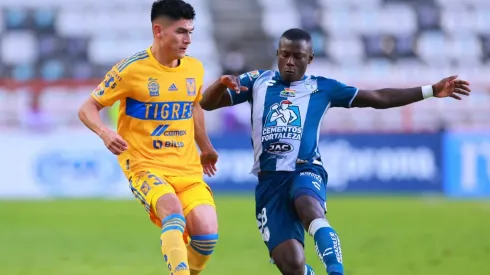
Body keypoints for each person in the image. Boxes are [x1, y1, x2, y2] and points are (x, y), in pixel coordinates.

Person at [200, 28, 471, 275]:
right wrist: (221, 83)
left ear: (310, 59)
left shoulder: (323, 88)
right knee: (291, 265)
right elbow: (208, 103)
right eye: (285, 55)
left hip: (305, 168)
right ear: (277, 54)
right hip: (269, 182)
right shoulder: (258, 81)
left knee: (309, 207)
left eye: (298, 57)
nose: (290, 62)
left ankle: (336, 271)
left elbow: (376, 98)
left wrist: (430, 90)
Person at [78, 1, 219, 274]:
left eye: (190, 32)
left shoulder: (194, 68)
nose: (188, 39)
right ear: (158, 30)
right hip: (144, 164)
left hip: (186, 167)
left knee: (206, 235)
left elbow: (194, 106)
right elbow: (87, 108)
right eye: (181, 32)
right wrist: (105, 132)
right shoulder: (131, 69)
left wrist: (206, 147)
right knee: (173, 213)